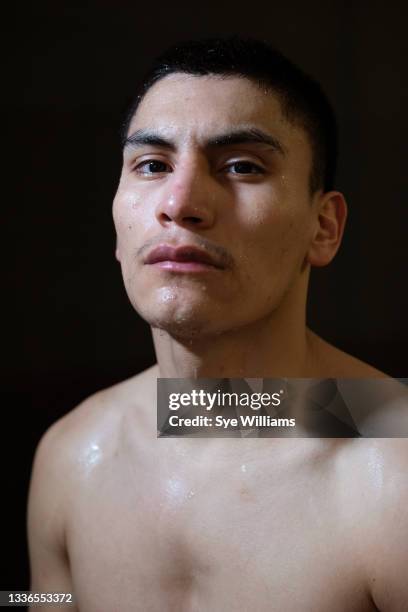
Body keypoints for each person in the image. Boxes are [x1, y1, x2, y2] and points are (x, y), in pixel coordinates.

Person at [28, 37, 408, 611]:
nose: (180, 202)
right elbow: (38, 601)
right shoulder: (73, 454)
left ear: (324, 226)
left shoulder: (394, 473)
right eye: (152, 165)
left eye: (242, 166)